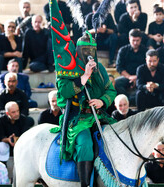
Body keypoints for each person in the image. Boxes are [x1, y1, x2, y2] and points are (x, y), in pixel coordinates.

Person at [54, 32, 116, 187]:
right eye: (85, 50)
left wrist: (102, 101)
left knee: (118, 137)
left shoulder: (100, 68)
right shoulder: (67, 67)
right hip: (78, 118)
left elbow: (111, 91)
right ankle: (85, 184)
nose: (89, 54)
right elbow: (65, 91)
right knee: (85, 144)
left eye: (92, 51)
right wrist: (85, 75)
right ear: (78, 50)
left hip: (99, 115)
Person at [115, 29, 147, 105]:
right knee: (116, 83)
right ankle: (127, 100)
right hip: (127, 77)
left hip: (141, 78)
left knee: (143, 88)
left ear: (141, 39)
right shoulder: (123, 50)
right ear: (129, 39)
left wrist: (137, 77)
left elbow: (147, 67)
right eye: (133, 40)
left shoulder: (145, 51)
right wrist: (130, 77)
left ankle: (130, 100)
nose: (135, 43)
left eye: (137, 40)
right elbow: (119, 67)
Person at [85, 2, 118, 66]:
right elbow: (85, 32)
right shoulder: (89, 17)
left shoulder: (108, 16)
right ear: (93, 12)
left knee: (114, 37)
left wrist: (105, 30)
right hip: (94, 41)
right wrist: (95, 30)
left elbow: (114, 31)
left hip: (106, 41)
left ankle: (111, 61)